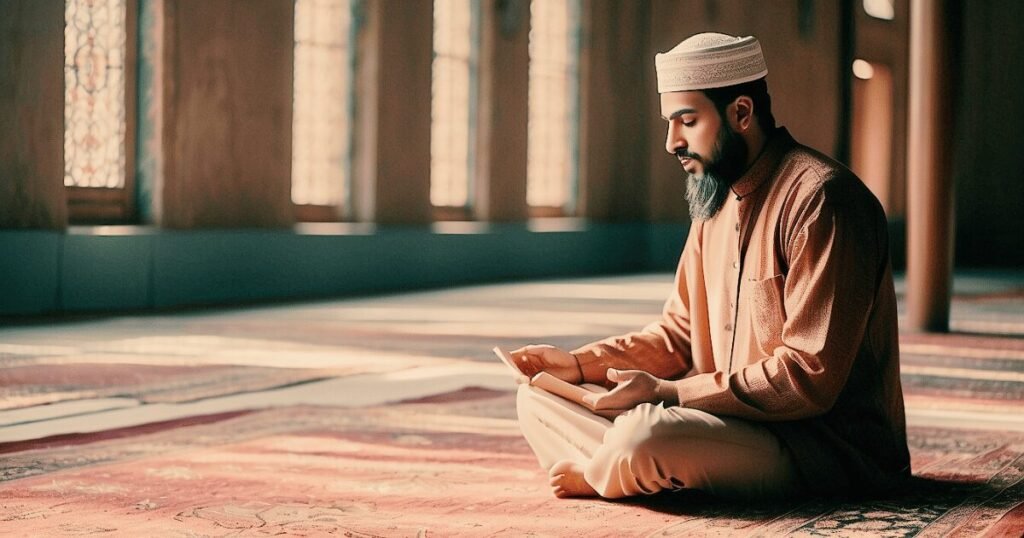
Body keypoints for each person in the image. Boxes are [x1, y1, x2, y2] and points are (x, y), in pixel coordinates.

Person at [511, 32, 910, 500]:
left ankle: (617, 469)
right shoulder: (714, 201)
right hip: (725, 425)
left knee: (646, 436)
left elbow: (808, 376)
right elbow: (678, 335)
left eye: (687, 121)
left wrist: (668, 395)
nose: (671, 142)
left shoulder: (823, 200)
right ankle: (637, 468)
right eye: (669, 123)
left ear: (741, 113)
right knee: (538, 397)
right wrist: (579, 366)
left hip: (820, 446)